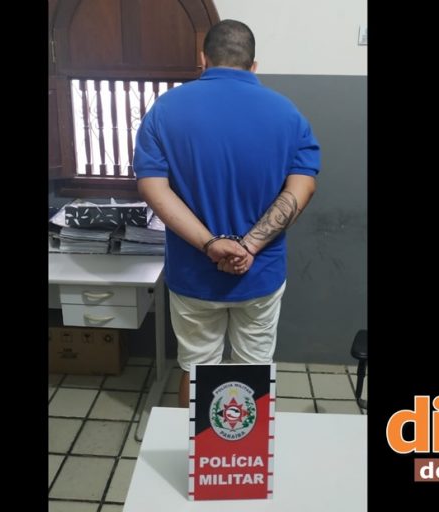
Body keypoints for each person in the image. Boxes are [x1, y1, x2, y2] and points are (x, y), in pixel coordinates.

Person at [133, 19, 321, 407]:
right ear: (254, 65)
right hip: (260, 272)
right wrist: (249, 246)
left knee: (196, 368)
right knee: (255, 369)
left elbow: (153, 187)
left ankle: (194, 446)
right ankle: (244, 447)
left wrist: (211, 244)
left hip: (193, 273)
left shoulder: (166, 110)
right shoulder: (288, 114)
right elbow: (302, 187)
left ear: (203, 58)